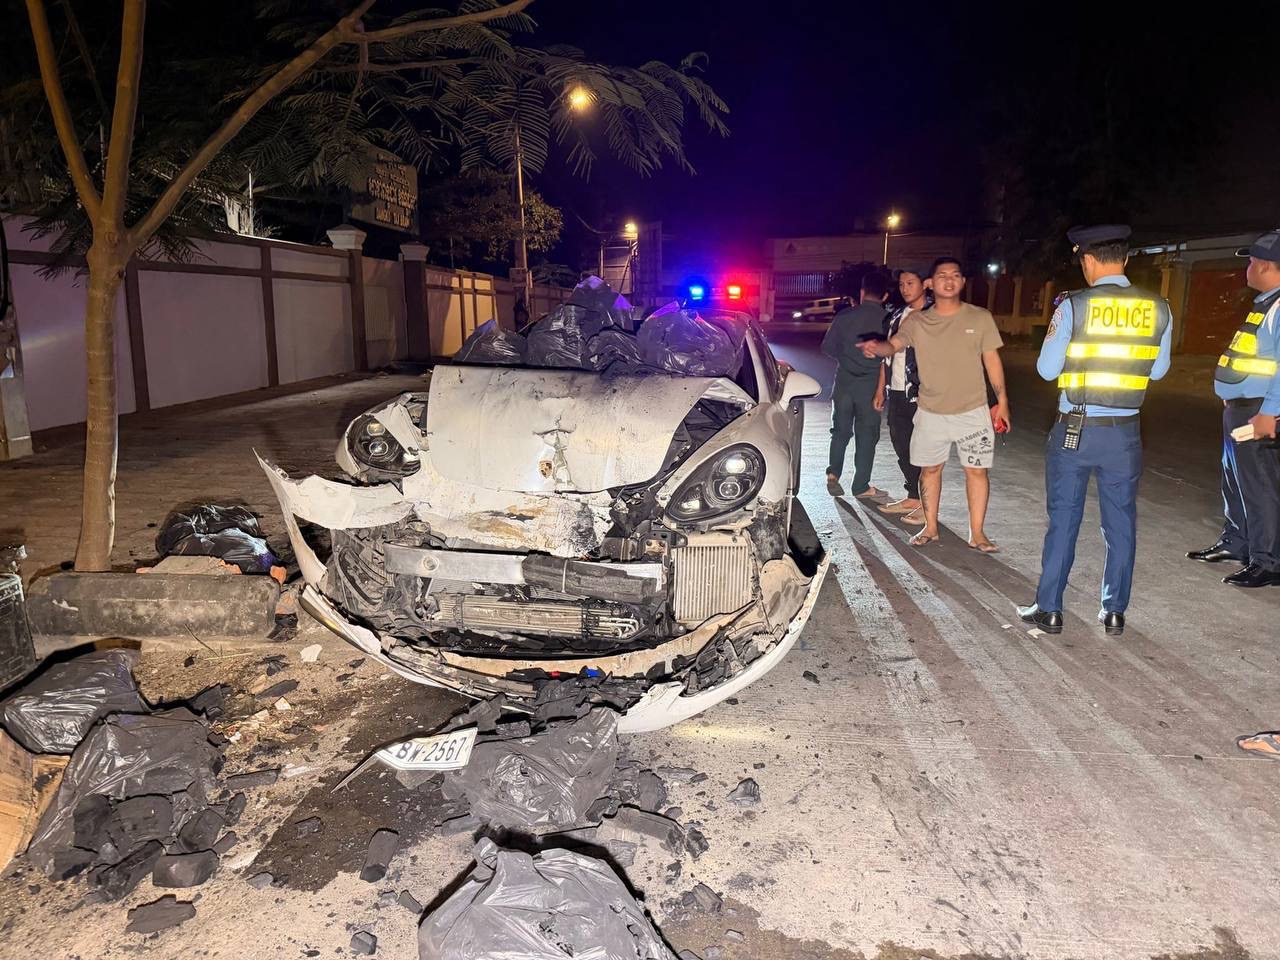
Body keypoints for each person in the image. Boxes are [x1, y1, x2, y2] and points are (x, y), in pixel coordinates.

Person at [1016, 225, 1172, 637]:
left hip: (1076, 430)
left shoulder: (1074, 306)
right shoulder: (1159, 308)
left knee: (1064, 520)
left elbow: (1047, 369)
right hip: (1125, 435)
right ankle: (1114, 611)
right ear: (1126, 258)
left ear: (1087, 259)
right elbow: (1158, 370)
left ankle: (1050, 609)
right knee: (1120, 523)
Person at [861, 257, 1009, 549]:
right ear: (931, 283)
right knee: (929, 471)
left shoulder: (980, 318)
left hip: (973, 411)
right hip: (930, 411)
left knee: (977, 471)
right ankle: (930, 527)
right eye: (942, 275)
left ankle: (977, 533)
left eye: (955, 275)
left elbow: (992, 360)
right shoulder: (917, 321)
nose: (949, 280)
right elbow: (895, 345)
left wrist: (1002, 401)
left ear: (962, 281)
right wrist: (878, 347)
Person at [1186, 228, 1280, 588]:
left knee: (1259, 484)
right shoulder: (1265, 304)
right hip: (1242, 407)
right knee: (1236, 479)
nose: (1247, 269)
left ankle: (1268, 561)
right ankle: (1237, 543)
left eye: (1252, 262)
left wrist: (1269, 412)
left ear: (1267, 265)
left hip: (1260, 411)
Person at [823, 272, 891, 499]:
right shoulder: (888, 320)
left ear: (862, 292)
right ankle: (860, 486)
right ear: (885, 296)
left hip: (844, 383)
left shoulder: (844, 316)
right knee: (867, 436)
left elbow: (827, 348)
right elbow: (890, 357)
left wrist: (847, 357)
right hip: (871, 386)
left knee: (840, 432)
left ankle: (833, 474)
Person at [877, 267, 931, 522]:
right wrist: (880, 389)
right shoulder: (897, 315)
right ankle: (913, 495)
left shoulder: (934, 315)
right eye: (901, 284)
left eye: (911, 283)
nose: (905, 288)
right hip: (897, 390)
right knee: (901, 443)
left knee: (924, 449)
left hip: (923, 394)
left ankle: (927, 506)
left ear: (925, 284)